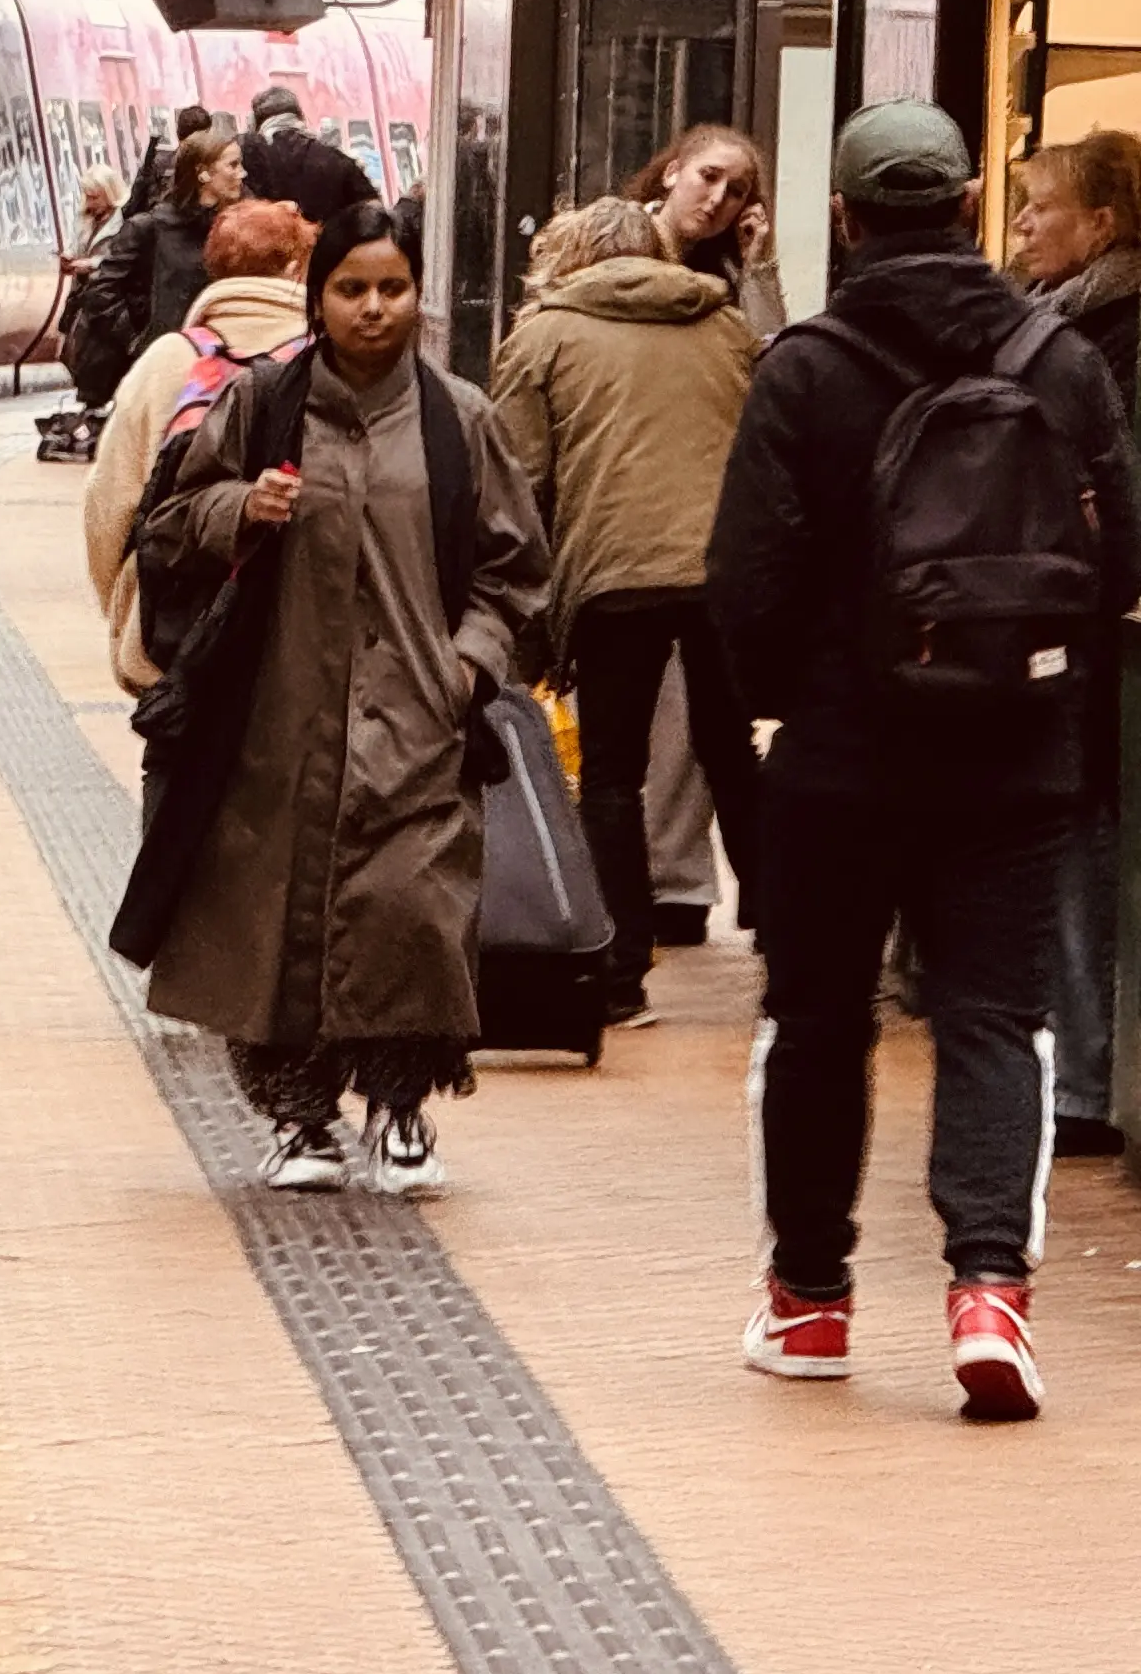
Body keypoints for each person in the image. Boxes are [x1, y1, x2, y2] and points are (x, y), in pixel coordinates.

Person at [709, 103, 1141, 1420]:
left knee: (820, 1021)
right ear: (963, 211)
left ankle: (812, 1299)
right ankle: (989, 1292)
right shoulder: (1058, 360)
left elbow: (745, 582)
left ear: (843, 221)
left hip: (842, 758)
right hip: (1013, 753)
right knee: (995, 1020)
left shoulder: (805, 367)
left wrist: (793, 703)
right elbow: (1119, 556)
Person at [132, 202, 552, 1196]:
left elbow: (517, 572)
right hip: (276, 724)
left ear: (419, 296)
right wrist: (242, 508)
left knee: (411, 911)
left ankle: (401, 1109)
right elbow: (168, 520)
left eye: (392, 289)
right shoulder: (264, 404)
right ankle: (300, 1117)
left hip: (417, 720)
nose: (373, 309)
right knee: (279, 920)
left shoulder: (461, 420)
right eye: (351, 289)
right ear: (317, 298)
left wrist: (468, 666)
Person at [485, 193, 762, 1030]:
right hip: (722, 571)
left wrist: (521, 620)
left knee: (611, 771)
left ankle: (619, 970)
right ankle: (792, 947)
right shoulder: (722, 327)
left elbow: (517, 482)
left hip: (613, 577)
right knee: (732, 753)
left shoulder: (542, 337)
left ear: (570, 257)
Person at [1010, 131, 1141, 1159]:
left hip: (1094, 627)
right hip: (1081, 620)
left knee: (1087, 848)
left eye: (1038, 206)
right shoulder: (1063, 327)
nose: (1019, 227)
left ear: (1101, 224)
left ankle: (1087, 1081)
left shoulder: (1101, 336)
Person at [82, 196, 315, 691]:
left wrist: (128, 607)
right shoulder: (324, 360)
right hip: (295, 637)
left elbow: (111, 498)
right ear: (298, 268)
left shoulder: (169, 358)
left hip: (176, 633)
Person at [70, 126, 245, 405]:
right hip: (164, 371)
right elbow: (101, 291)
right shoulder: (148, 227)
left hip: (216, 366)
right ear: (203, 173)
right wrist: (137, 340)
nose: (242, 173)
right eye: (233, 165)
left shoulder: (229, 228)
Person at [627, 122, 787, 334]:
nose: (718, 198)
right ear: (672, 173)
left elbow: (770, 351)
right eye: (709, 176)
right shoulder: (617, 239)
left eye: (736, 192)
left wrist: (758, 266)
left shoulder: (730, 274)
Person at [241, 83, 370, 224]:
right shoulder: (338, 159)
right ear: (300, 116)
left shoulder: (245, 161)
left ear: (255, 122)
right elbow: (370, 212)